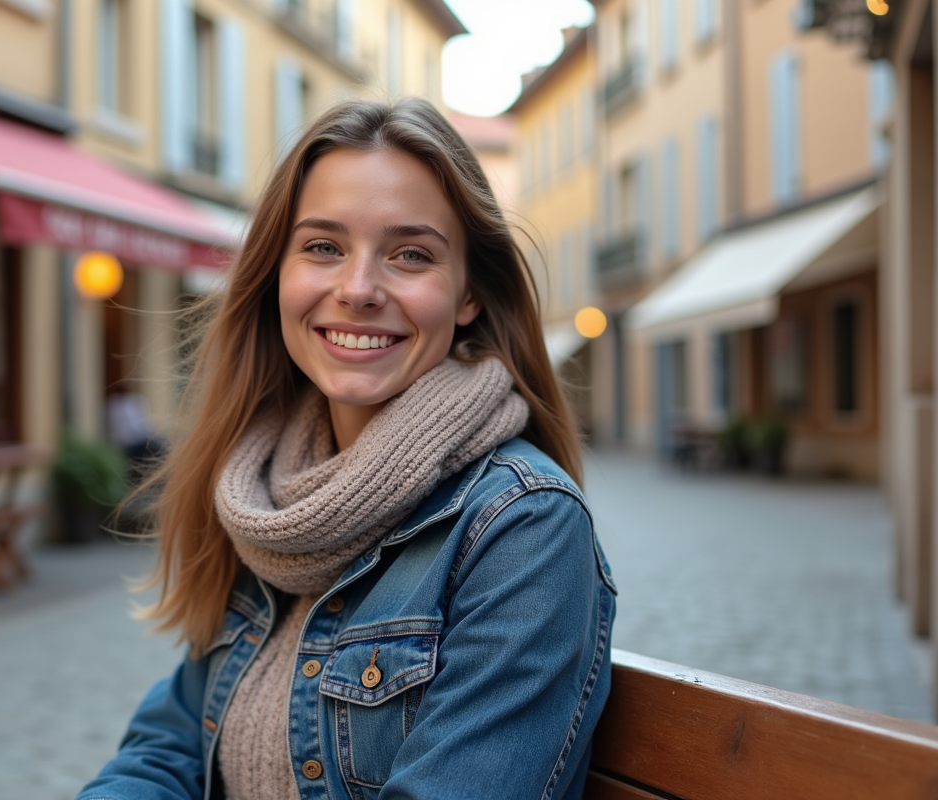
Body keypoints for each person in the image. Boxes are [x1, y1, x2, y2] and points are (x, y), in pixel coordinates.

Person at [76, 98, 617, 800]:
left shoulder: (524, 526)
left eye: (411, 254)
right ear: (277, 274)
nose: (358, 290)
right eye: (323, 247)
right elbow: (167, 749)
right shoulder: (266, 495)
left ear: (469, 295)